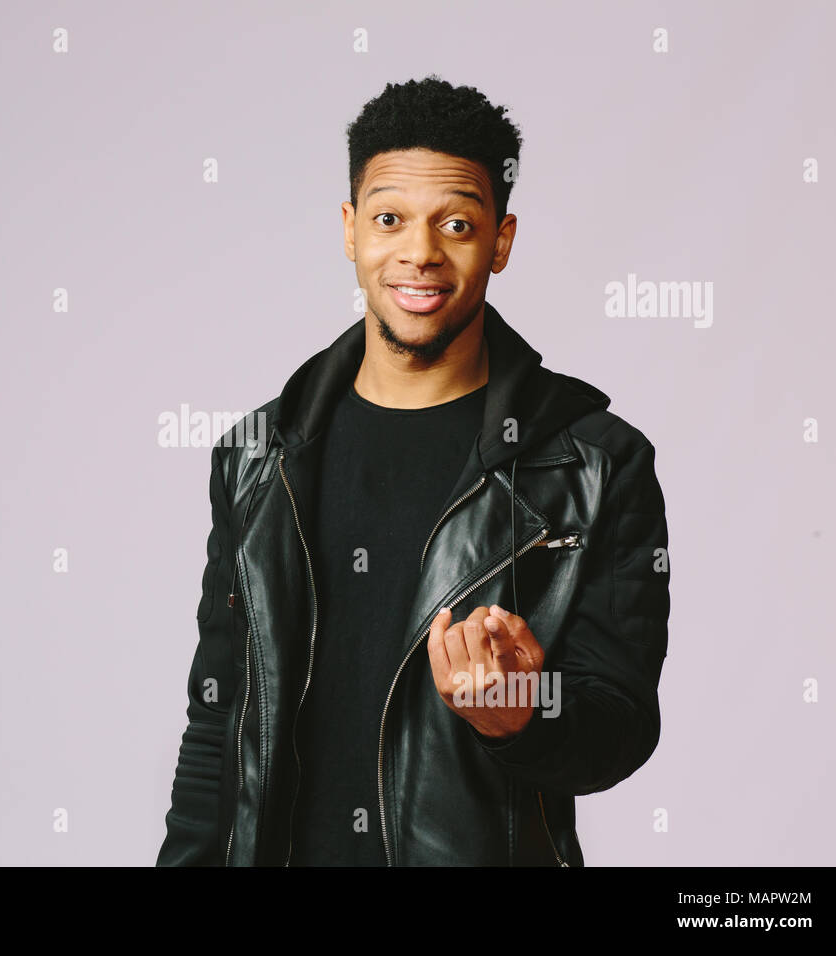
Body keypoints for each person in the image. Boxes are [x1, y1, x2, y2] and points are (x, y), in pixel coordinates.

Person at [156, 75, 670, 866]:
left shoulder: (595, 461)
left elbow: (621, 721)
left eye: (457, 223)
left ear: (499, 239)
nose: (420, 252)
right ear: (351, 229)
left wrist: (523, 711)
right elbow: (216, 724)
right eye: (390, 218)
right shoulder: (258, 456)